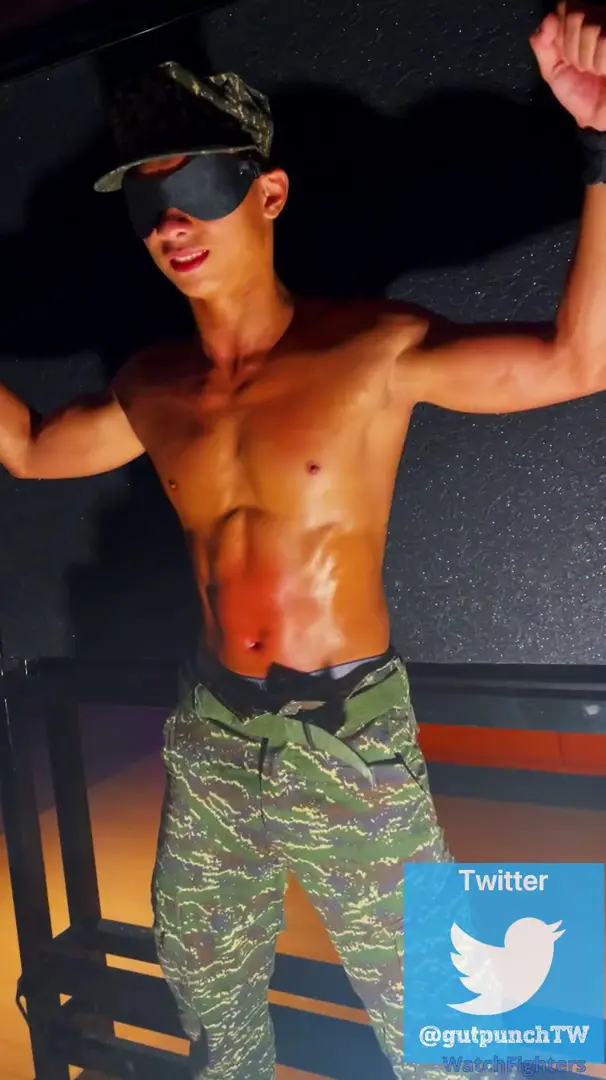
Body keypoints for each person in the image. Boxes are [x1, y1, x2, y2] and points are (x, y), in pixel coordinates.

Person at [1, 6, 606, 1078]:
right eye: (147, 199)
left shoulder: (370, 350)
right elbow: (31, 450)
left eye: (199, 187)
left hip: (347, 738)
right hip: (213, 733)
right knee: (207, 987)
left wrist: (602, 143)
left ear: (269, 193)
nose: (171, 222)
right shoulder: (154, 385)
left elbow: (577, 361)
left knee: (457, 1019)